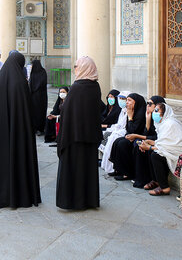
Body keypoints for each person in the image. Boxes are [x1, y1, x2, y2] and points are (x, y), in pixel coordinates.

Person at [0, 51, 41, 209]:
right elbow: (25, 112)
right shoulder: (20, 82)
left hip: (0, 133)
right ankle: (19, 194)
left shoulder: (0, 79)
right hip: (18, 133)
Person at [56, 56, 102, 210]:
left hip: (73, 138)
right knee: (87, 170)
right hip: (89, 137)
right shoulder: (95, 87)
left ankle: (72, 201)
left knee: (73, 170)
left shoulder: (77, 87)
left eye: (77, 66)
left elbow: (67, 111)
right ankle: (88, 201)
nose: (75, 69)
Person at [138, 103, 182, 195]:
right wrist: (151, 142)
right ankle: (156, 181)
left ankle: (165, 187)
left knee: (156, 155)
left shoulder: (170, 124)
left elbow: (171, 145)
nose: (154, 113)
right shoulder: (162, 123)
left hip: (180, 150)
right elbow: (165, 142)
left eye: (157, 110)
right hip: (172, 148)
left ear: (164, 112)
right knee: (153, 152)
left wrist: (149, 147)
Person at [127, 96, 166, 188]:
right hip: (153, 141)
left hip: (161, 143)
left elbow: (157, 137)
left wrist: (137, 136)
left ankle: (149, 179)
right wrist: (148, 122)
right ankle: (140, 177)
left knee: (142, 146)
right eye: (147, 103)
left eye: (150, 104)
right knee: (137, 144)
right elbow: (147, 133)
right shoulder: (151, 116)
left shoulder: (163, 118)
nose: (147, 106)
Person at [109, 93, 147, 181]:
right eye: (127, 100)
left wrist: (130, 117)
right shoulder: (131, 111)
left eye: (129, 100)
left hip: (139, 137)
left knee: (122, 144)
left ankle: (127, 173)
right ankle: (118, 169)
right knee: (117, 141)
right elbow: (128, 129)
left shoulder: (141, 114)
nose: (127, 103)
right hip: (132, 135)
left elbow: (134, 130)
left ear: (136, 102)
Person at [100, 91, 130, 174]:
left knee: (114, 139)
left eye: (123, 99)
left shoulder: (128, 111)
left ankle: (115, 167)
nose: (121, 100)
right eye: (120, 98)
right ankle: (109, 165)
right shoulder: (122, 110)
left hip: (125, 132)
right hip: (117, 130)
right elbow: (118, 124)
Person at [29, 59, 48, 135]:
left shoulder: (34, 73)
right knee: (39, 112)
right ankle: (39, 128)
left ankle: (37, 128)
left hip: (35, 96)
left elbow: (31, 84)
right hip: (41, 96)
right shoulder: (43, 72)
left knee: (37, 112)